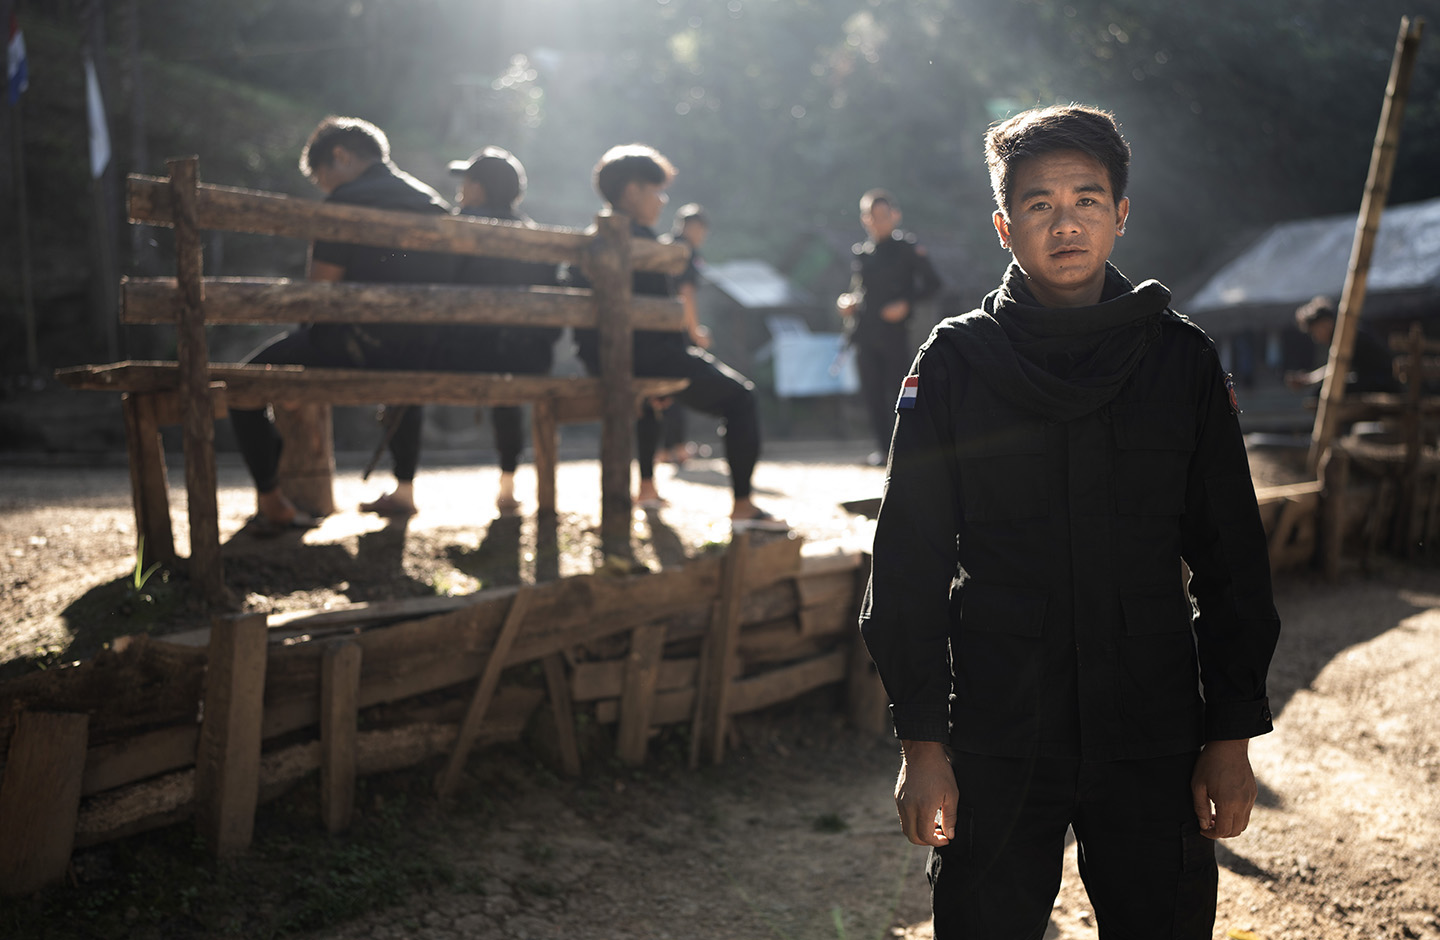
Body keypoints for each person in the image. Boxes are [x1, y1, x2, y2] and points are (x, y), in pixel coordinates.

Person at [860, 104, 1281, 939]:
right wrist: (923, 744)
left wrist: (1230, 733)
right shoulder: (955, 364)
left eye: (1087, 200)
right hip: (999, 728)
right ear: (1003, 225)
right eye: (1039, 204)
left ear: (1121, 216)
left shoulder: (1180, 361)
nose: (1066, 223)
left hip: (1153, 725)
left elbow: (1233, 559)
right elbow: (907, 560)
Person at [230, 115, 455, 531]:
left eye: (322, 178)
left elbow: (320, 291)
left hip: (358, 346)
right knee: (405, 347)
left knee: (242, 383)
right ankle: (405, 489)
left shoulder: (346, 203)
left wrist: (303, 351)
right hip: (425, 351)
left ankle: (272, 499)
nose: (327, 188)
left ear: (340, 156)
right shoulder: (432, 203)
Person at [574, 144, 785, 530]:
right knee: (741, 399)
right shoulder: (646, 247)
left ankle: (648, 487)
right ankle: (743, 506)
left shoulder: (591, 241)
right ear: (633, 191)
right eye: (656, 191)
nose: (662, 200)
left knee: (652, 398)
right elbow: (663, 325)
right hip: (650, 357)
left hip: (609, 360)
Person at [446, 145, 561, 514]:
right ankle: (508, 484)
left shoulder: (456, 229)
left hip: (462, 354)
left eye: (467, 180)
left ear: (478, 187)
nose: (461, 188)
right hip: (527, 357)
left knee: (405, 353)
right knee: (509, 385)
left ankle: (403, 487)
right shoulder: (535, 236)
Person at [836, 189, 942, 466]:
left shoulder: (908, 249)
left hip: (895, 334)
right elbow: (859, 291)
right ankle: (883, 450)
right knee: (871, 393)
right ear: (865, 219)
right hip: (865, 333)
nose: (879, 221)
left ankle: (906, 447)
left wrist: (906, 303)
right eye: (873, 216)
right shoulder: (863, 253)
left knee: (899, 391)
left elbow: (933, 284)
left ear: (895, 216)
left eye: (884, 216)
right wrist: (847, 302)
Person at [656, 203, 712, 466]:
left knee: (664, 390)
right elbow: (685, 294)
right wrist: (694, 330)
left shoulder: (664, 245)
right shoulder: (684, 251)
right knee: (678, 387)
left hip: (657, 326)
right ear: (692, 227)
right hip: (676, 328)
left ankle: (668, 448)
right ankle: (677, 447)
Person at [1285, 295, 1401, 394]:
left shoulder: (1348, 336)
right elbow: (1335, 366)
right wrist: (1309, 378)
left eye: (1315, 331)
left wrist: (1309, 379)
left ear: (1326, 323)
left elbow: (1338, 369)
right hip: (1372, 380)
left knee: (1323, 391)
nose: (1315, 337)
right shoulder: (1342, 337)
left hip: (1383, 383)